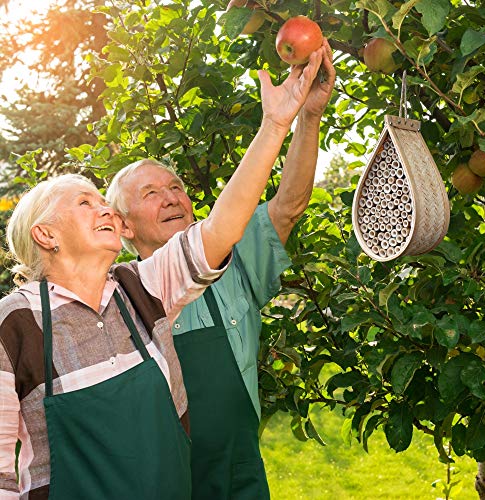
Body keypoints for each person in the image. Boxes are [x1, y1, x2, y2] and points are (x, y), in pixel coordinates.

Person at [0, 48, 325, 500]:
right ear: (47, 234)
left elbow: (222, 228)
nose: (104, 211)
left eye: (176, 187)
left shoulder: (142, 290)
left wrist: (279, 124)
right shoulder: (16, 323)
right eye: (85, 202)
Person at [106, 39, 336, 499]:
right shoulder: (112, 298)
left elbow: (288, 207)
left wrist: (308, 117)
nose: (172, 196)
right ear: (123, 226)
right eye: (151, 193)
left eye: (176, 187)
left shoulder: (231, 262)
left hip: (238, 475)